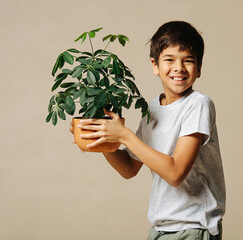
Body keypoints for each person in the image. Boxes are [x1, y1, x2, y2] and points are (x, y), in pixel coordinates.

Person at [73, 21, 226, 240]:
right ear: (155, 65)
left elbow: (175, 173)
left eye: (188, 61)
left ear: (199, 68)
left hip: (193, 226)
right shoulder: (153, 108)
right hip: (162, 228)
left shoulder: (198, 105)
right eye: (169, 59)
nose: (179, 68)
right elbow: (129, 169)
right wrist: (102, 140)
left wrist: (124, 134)